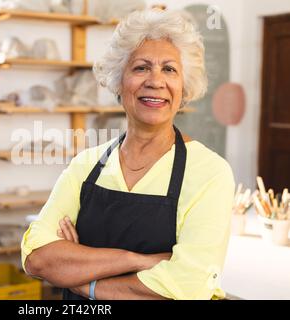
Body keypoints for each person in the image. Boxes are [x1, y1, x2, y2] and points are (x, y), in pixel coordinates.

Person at [21, 8, 235, 300]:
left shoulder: (210, 172)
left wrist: (82, 279)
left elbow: (186, 285)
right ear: (119, 81)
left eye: (169, 69)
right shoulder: (86, 165)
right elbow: (38, 258)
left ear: (184, 87)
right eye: (141, 67)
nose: (155, 81)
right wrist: (135, 260)